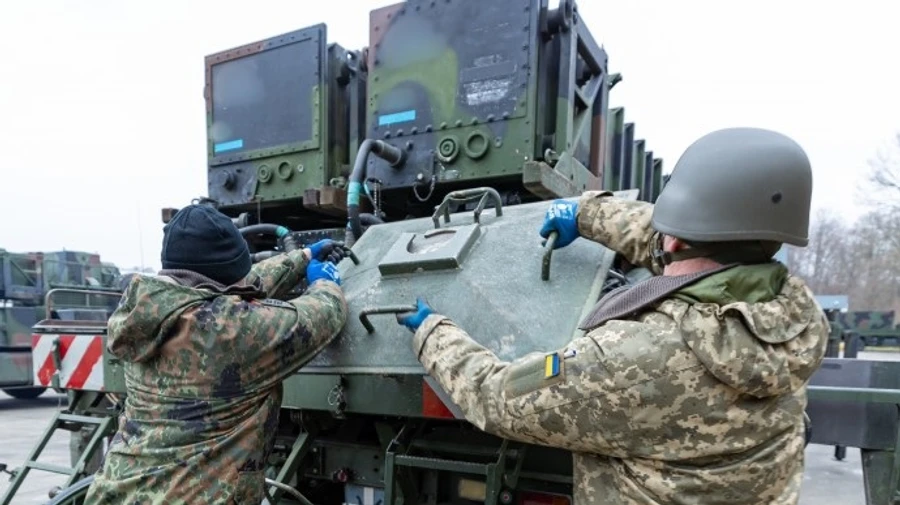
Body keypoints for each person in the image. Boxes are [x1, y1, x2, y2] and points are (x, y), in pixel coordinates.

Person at [395, 127, 830, 505]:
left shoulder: (637, 357)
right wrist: (586, 215)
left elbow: (499, 398)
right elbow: (679, 245)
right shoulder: (798, 313)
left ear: (676, 240)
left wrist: (434, 332)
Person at [85, 204, 349, 504]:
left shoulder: (148, 311)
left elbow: (242, 284)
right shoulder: (227, 331)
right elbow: (323, 315)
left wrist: (302, 258)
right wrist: (324, 282)